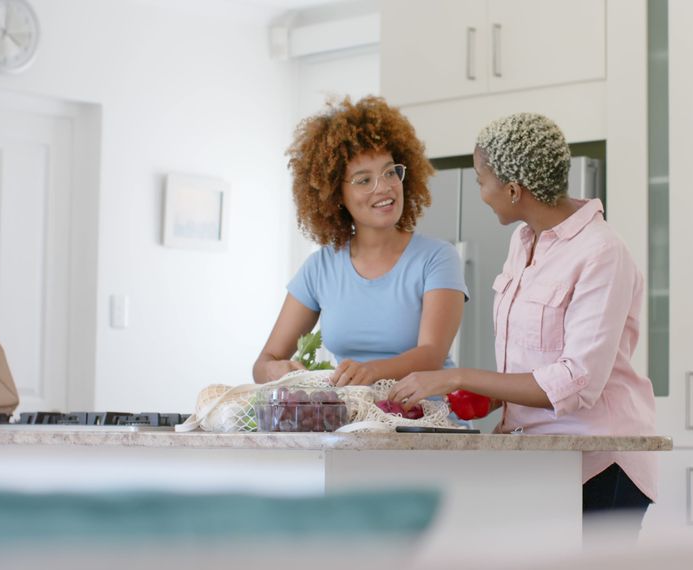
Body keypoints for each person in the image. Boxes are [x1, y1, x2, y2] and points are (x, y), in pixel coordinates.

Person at [387, 112, 658, 528]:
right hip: (538, 458)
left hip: (598, 465)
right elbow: (538, 365)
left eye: (481, 181)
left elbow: (574, 382)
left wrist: (460, 377)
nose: (480, 193)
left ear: (514, 189)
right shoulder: (523, 241)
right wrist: (495, 397)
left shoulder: (602, 252)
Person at [253, 96, 468, 386]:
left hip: (425, 421)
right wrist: (275, 371)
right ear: (334, 194)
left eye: (390, 171)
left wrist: (372, 371)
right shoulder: (321, 267)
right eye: (364, 180)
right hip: (353, 422)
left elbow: (431, 355)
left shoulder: (437, 257)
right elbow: (265, 362)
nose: (385, 187)